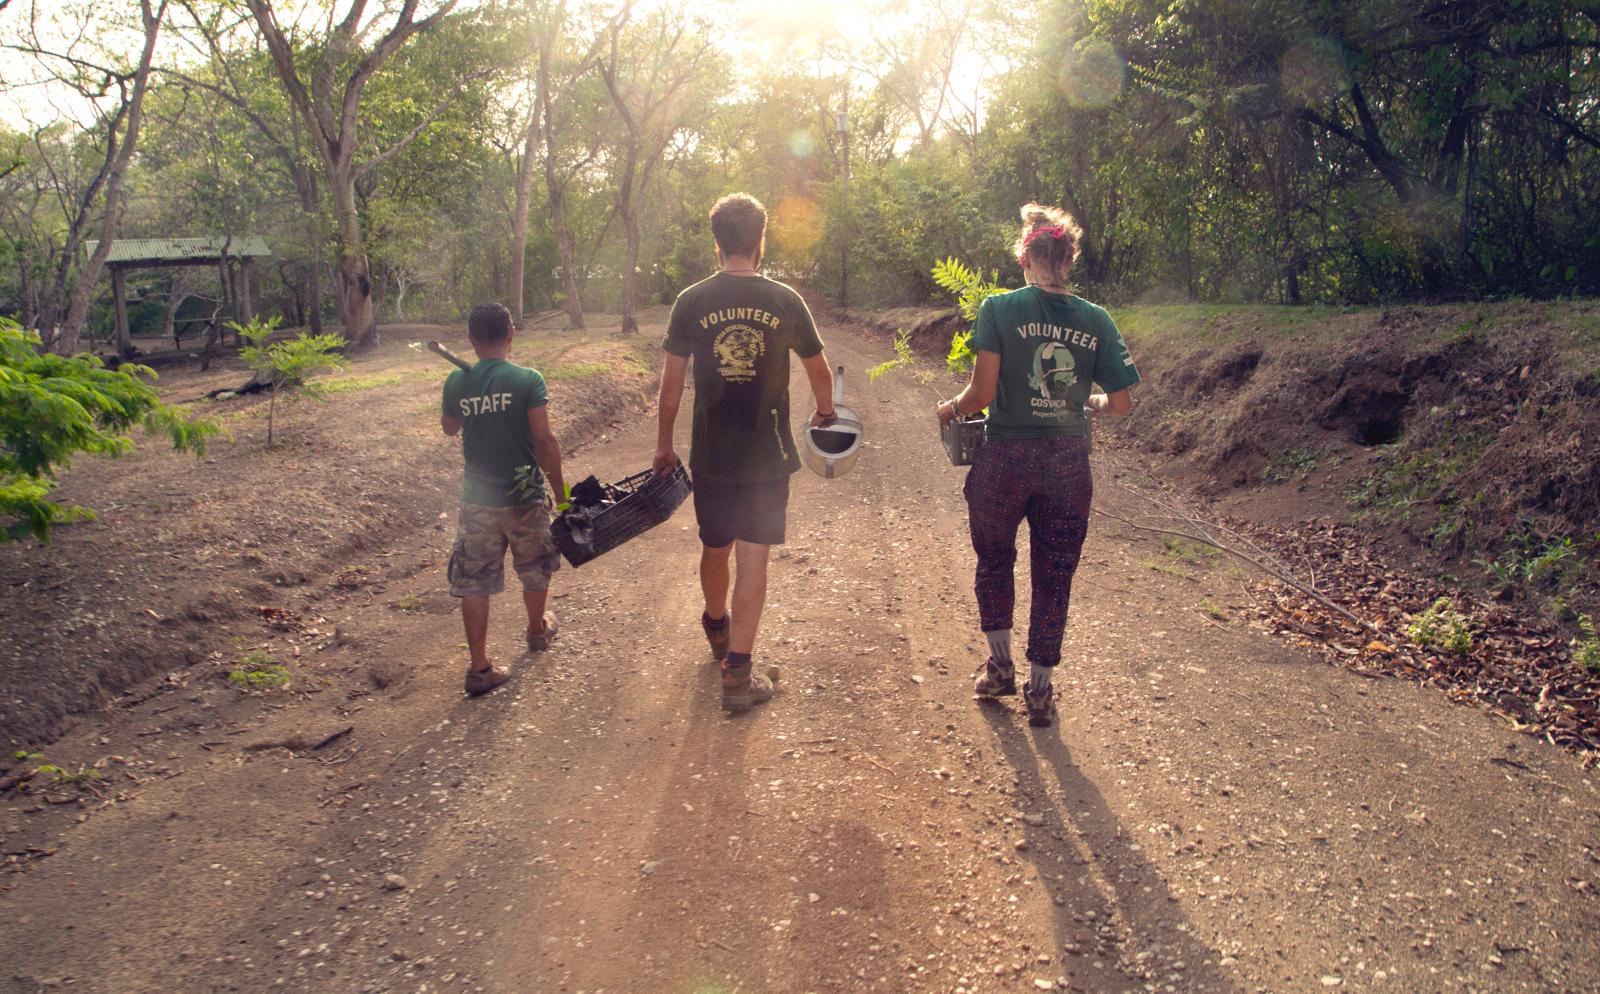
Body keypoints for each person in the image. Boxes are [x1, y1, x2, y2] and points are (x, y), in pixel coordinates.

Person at [937, 204, 1139, 727]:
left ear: (1025, 258)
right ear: (1068, 260)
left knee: (995, 557)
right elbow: (1119, 403)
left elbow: (980, 393)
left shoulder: (999, 308)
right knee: (1055, 573)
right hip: (1068, 464)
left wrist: (950, 409)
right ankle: (1041, 692)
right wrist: (1087, 403)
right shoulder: (1097, 320)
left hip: (1005, 458)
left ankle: (1000, 667)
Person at [652, 192, 836, 713]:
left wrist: (664, 446)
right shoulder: (784, 299)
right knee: (753, 559)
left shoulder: (691, 301)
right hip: (767, 457)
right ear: (760, 241)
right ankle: (739, 673)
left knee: (716, 547)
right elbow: (818, 370)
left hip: (711, 456)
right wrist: (825, 413)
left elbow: (671, 386)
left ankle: (716, 624)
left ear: (717, 243)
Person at [441, 303, 566, 696]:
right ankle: (536, 630)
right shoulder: (528, 379)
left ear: (470, 340)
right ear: (511, 333)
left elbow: (449, 428)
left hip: (477, 499)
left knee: (475, 582)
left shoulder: (456, 381)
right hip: (524, 494)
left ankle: (479, 668)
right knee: (535, 567)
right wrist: (562, 496)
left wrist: (471, 401)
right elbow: (544, 439)